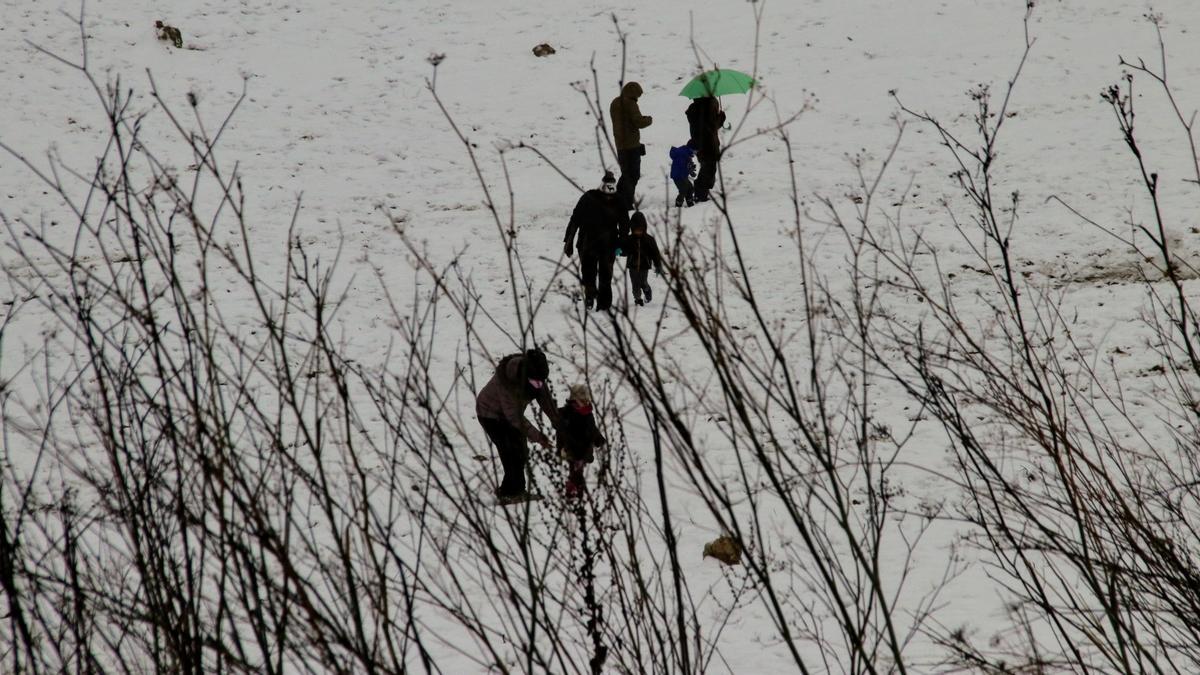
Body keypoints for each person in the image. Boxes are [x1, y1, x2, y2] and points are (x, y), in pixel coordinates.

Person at [475, 348, 560, 501]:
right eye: (536, 382)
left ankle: (511, 490)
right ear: (525, 376)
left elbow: (545, 399)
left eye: (541, 381)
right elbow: (514, 417)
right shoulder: (507, 383)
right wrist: (539, 437)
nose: (539, 385)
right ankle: (511, 493)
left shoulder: (535, 374)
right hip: (490, 415)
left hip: (508, 415)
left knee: (520, 449)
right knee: (511, 451)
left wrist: (558, 422)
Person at [563, 171, 630, 312]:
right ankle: (590, 297)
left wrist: (621, 244)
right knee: (588, 273)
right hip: (587, 242)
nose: (608, 198)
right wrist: (569, 240)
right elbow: (576, 218)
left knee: (606, 275)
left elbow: (624, 224)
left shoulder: (619, 201)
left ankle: (604, 304)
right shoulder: (589, 197)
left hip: (608, 243)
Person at [610, 81, 653, 211]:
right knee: (633, 175)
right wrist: (648, 119)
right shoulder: (630, 103)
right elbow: (638, 121)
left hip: (620, 145)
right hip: (631, 145)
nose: (637, 98)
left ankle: (618, 200)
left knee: (626, 174)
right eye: (637, 96)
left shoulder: (614, 102)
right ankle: (626, 203)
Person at [557, 383, 606, 498]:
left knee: (579, 468)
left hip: (585, 447)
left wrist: (599, 439)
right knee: (574, 468)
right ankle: (574, 489)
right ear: (574, 401)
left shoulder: (588, 414)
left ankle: (575, 487)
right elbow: (561, 433)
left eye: (586, 400)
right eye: (582, 400)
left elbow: (593, 429)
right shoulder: (567, 414)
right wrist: (562, 447)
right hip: (571, 447)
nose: (585, 402)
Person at [618, 211, 664, 306]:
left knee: (643, 283)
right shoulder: (629, 239)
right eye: (636, 230)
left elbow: (655, 254)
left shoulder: (649, 240)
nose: (638, 232)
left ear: (644, 228)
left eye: (640, 230)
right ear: (632, 229)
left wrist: (658, 265)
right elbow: (625, 250)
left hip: (644, 266)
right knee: (635, 284)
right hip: (632, 266)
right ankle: (638, 299)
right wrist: (620, 251)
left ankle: (647, 290)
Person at [685, 95, 725, 202]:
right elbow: (711, 126)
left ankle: (700, 192)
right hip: (709, 143)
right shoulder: (708, 106)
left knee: (706, 167)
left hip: (699, 142)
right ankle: (700, 194)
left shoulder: (695, 107)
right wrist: (721, 118)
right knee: (709, 169)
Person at [668, 139, 698, 207]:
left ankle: (689, 201)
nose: (696, 152)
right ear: (692, 149)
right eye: (696, 150)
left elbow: (687, 165)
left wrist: (691, 171)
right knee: (683, 190)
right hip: (678, 176)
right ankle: (678, 203)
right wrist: (689, 168)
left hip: (683, 176)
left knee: (690, 188)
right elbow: (681, 167)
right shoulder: (682, 154)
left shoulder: (687, 153)